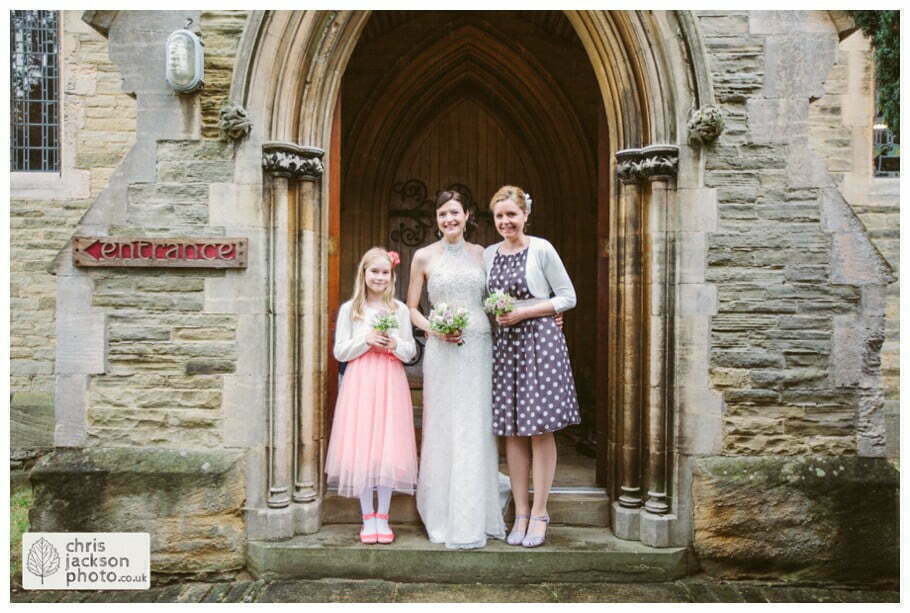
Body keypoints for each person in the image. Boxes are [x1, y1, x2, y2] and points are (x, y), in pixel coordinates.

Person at [407, 190, 507, 549]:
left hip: (479, 346)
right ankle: (441, 510)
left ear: (467, 215)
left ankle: (474, 512)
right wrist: (431, 328)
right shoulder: (423, 257)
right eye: (442, 214)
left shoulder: (484, 254)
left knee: (474, 422)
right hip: (441, 348)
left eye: (454, 213)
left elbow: (501, 297)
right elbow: (412, 307)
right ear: (437, 219)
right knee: (444, 422)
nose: (448, 219)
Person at [484, 185, 581, 548]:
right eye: (499, 216)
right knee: (512, 431)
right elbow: (486, 300)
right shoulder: (490, 254)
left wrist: (525, 312)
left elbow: (567, 296)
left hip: (540, 344)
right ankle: (520, 512)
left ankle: (540, 512)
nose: (506, 221)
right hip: (506, 347)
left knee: (540, 429)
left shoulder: (541, 249)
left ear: (525, 215)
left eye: (511, 214)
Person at [325, 247, 417, 545]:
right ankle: (367, 517)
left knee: (388, 446)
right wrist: (365, 340)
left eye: (385, 272)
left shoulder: (399, 310)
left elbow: (410, 351)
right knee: (363, 446)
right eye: (374, 271)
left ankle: (383, 516)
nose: (379, 277)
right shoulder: (351, 310)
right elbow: (340, 350)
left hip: (390, 380)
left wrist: (393, 344)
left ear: (392, 276)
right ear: (363, 274)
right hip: (361, 382)